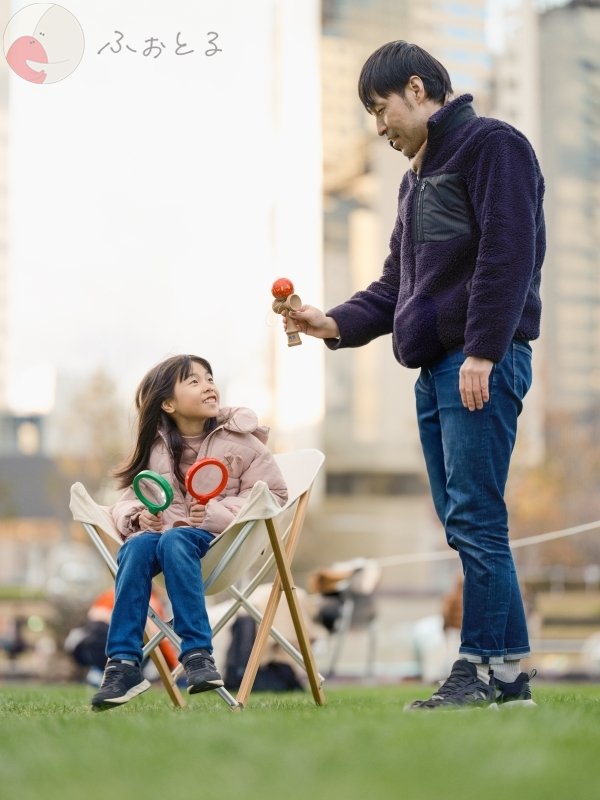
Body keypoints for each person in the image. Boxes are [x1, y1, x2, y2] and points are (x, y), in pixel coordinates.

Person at [289, 41, 545, 710]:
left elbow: (507, 253)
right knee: (464, 522)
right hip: (436, 368)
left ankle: (479, 669)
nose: (379, 126)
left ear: (416, 88)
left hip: (477, 360)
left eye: (381, 109)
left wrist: (485, 350)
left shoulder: (494, 146)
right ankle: (511, 677)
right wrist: (332, 323)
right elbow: (395, 286)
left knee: (477, 517)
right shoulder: (415, 179)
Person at [90, 354, 287, 711]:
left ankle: (197, 654)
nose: (208, 385)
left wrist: (213, 512)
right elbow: (129, 497)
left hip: (220, 545)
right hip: (166, 544)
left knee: (175, 538)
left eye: (209, 377)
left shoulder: (244, 442)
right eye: (194, 381)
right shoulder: (154, 450)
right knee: (136, 547)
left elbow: (273, 495)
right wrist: (138, 518)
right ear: (168, 402)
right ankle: (122, 664)